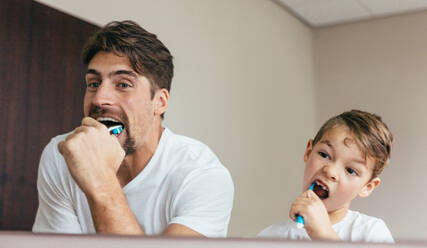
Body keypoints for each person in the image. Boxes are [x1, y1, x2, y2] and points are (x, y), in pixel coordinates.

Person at [32, 20, 234, 237]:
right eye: (93, 83)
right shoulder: (61, 154)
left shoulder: (201, 174)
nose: (100, 99)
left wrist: (100, 180)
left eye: (123, 84)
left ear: (160, 102)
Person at [258, 110, 394, 243]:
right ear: (308, 152)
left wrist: (323, 234)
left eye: (350, 170)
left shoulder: (371, 233)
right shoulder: (270, 237)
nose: (330, 171)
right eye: (324, 155)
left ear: (367, 187)